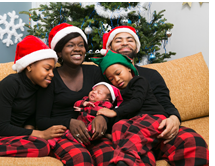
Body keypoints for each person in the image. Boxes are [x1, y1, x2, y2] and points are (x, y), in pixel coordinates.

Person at [98, 25, 209, 166]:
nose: (125, 43)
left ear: (137, 48)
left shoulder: (151, 75)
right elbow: (98, 106)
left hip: (157, 127)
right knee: (138, 154)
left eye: (129, 39)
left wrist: (174, 118)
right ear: (109, 48)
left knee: (192, 141)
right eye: (118, 40)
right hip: (127, 133)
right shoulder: (104, 80)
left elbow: (164, 101)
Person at [0, 36, 67, 161]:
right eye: (47, 68)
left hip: (8, 134)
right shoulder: (11, 83)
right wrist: (42, 134)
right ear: (30, 66)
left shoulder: (43, 90)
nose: (52, 74)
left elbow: (29, 123)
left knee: (42, 147)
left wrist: (33, 136)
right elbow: (1, 127)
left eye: (53, 70)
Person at [35, 23, 114, 166]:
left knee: (109, 156)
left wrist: (103, 117)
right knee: (81, 158)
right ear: (59, 52)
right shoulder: (51, 78)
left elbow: (108, 102)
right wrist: (69, 122)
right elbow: (40, 119)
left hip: (92, 132)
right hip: (63, 134)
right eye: (70, 45)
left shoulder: (94, 72)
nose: (77, 49)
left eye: (81, 45)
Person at [92, 50, 170, 166]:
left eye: (118, 73)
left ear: (129, 68)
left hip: (153, 116)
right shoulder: (119, 94)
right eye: (111, 78)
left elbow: (136, 103)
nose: (116, 79)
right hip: (135, 120)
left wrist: (114, 112)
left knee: (137, 131)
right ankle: (129, 158)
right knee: (119, 126)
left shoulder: (139, 81)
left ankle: (123, 159)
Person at [47, 82, 123, 148]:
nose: (94, 92)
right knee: (65, 131)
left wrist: (83, 109)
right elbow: (76, 104)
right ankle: (52, 142)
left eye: (99, 93)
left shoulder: (106, 104)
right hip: (81, 124)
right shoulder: (86, 99)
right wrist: (83, 103)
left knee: (91, 130)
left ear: (106, 99)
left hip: (92, 125)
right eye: (93, 90)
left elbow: (97, 111)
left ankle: (80, 140)